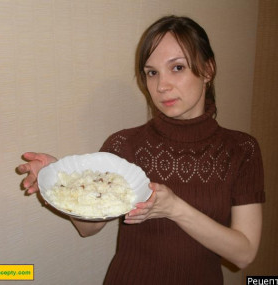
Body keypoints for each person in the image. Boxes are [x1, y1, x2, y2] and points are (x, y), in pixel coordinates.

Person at [17, 15, 265, 285]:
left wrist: (174, 208)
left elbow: (244, 253)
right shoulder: (124, 144)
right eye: (152, 72)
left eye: (178, 68)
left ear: (207, 70)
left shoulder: (241, 150)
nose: (161, 86)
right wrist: (59, 184)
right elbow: (88, 229)